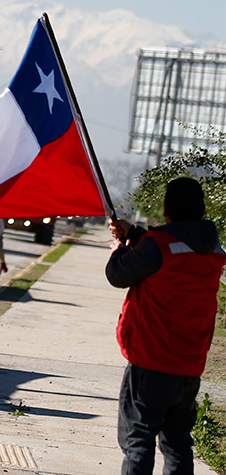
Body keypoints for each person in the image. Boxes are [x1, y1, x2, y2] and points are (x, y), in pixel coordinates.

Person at [107, 177, 225, 475]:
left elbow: (118, 275)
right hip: (189, 364)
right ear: (203, 209)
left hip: (151, 360)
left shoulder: (157, 246)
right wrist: (134, 233)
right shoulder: (214, 251)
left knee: (138, 441)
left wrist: (120, 246)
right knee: (178, 443)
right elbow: (176, 247)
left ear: (165, 209)